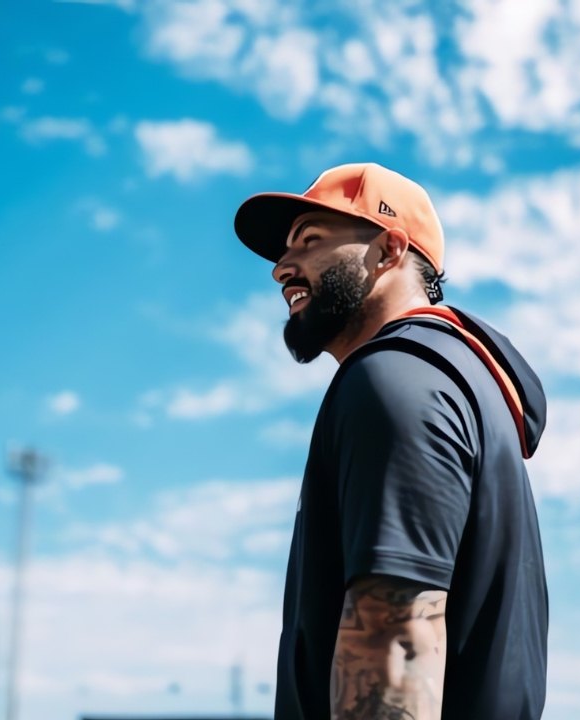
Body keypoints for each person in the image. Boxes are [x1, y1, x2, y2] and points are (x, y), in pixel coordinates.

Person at [233, 163, 549, 720]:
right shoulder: (454, 382)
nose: (282, 268)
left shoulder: (393, 381)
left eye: (310, 241)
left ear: (388, 251)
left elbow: (399, 643)